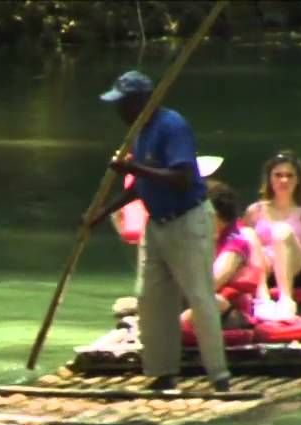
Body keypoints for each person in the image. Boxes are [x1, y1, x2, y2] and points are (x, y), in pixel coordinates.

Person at [86, 70, 230, 393]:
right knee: (150, 297)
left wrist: (132, 167)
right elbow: (139, 185)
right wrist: (103, 212)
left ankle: (218, 376)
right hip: (158, 223)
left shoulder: (171, 126)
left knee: (199, 296)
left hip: (188, 220)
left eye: (123, 104)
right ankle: (163, 371)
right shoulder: (138, 133)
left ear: (140, 102)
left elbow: (180, 176)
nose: (118, 111)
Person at [245, 150, 301, 321]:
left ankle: (286, 301)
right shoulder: (255, 210)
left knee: (281, 231)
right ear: (270, 179)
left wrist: (294, 254)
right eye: (278, 175)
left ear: (297, 180)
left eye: (289, 175)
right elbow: (241, 247)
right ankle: (262, 301)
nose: (283, 180)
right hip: (264, 270)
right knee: (247, 234)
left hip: (297, 268)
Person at [181, 180, 267, 328]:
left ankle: (177, 324)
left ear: (216, 214)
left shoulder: (235, 242)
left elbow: (211, 283)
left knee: (211, 300)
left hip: (230, 313)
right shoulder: (201, 236)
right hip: (196, 303)